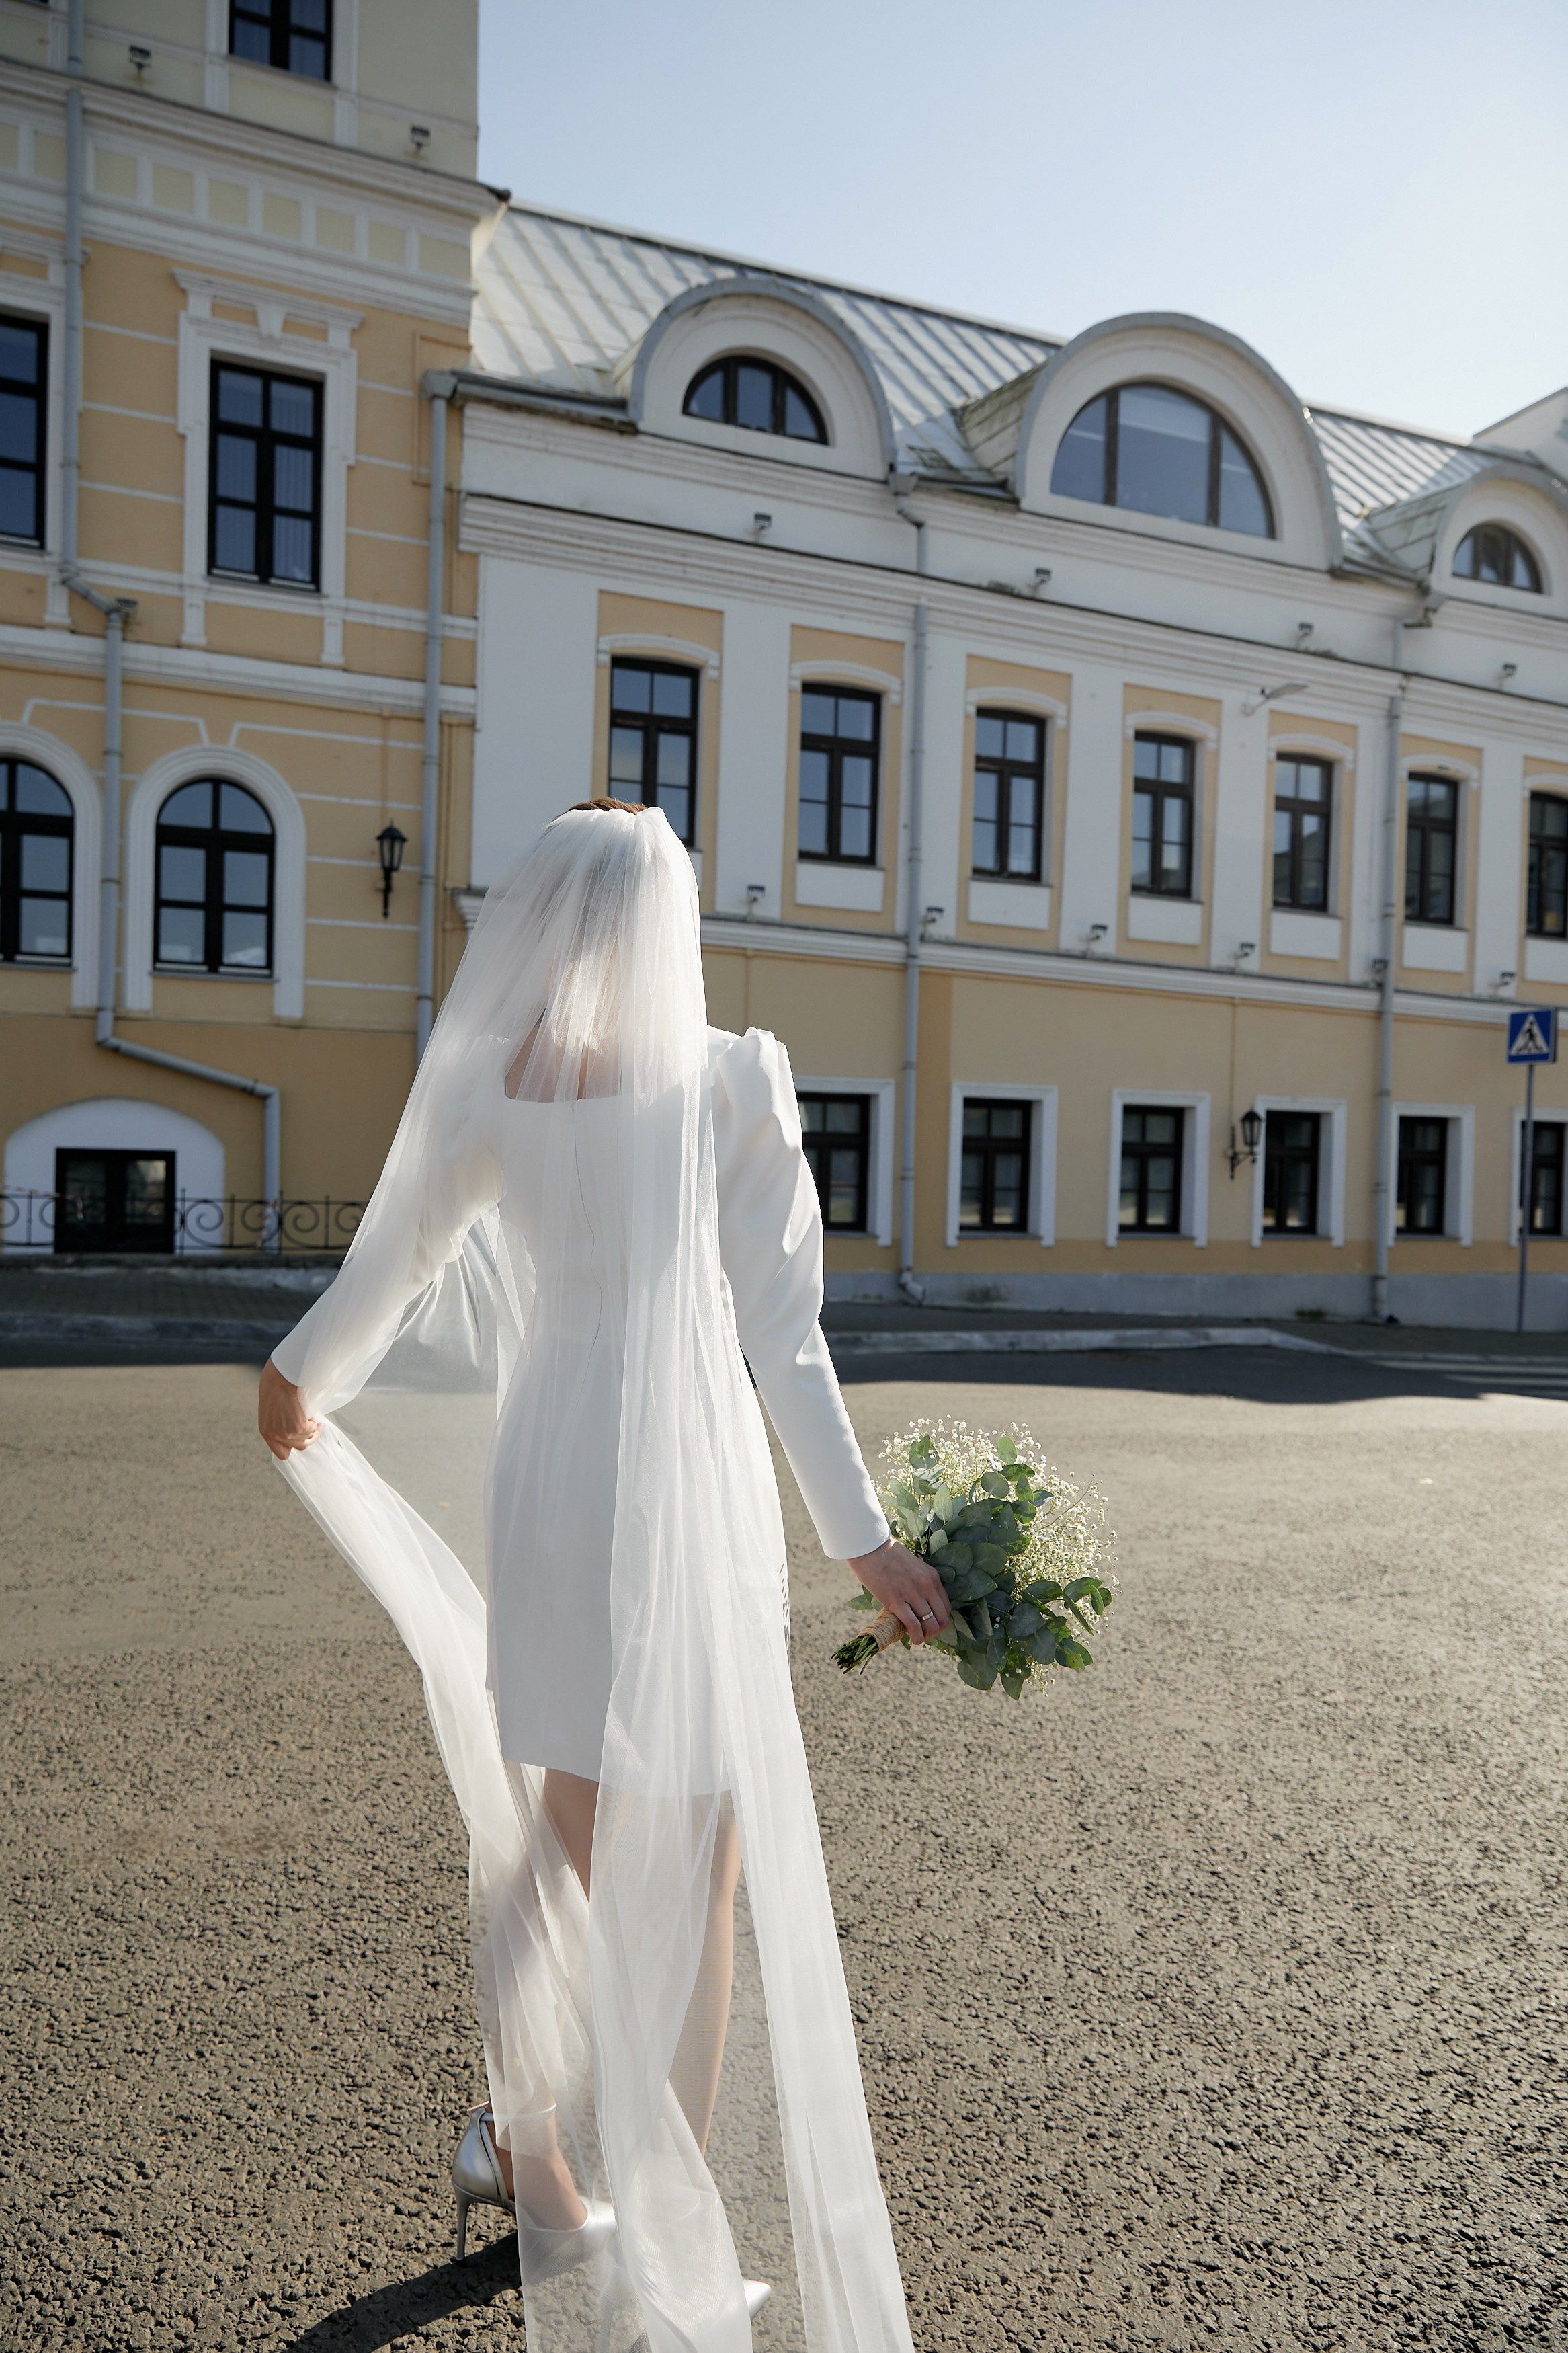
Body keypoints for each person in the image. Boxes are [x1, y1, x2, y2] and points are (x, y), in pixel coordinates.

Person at [257, 798, 948, 2352]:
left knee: (554, 1833)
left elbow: (401, 1259)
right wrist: (865, 1540)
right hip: (680, 1478)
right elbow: (785, 1332)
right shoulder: (731, 1078)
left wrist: (299, 1372)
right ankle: (660, 2210)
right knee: (695, 1852)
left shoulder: (494, 1082)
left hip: (551, 1465)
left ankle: (522, 2142)